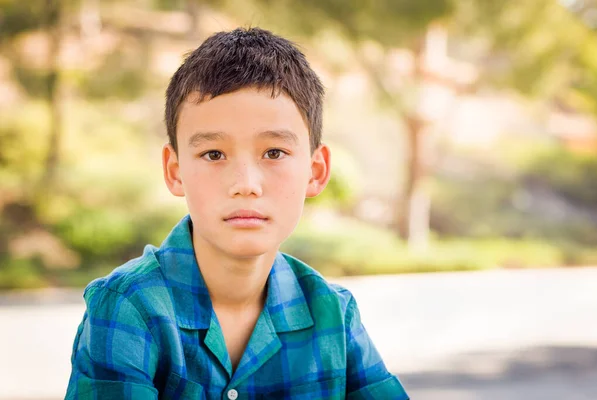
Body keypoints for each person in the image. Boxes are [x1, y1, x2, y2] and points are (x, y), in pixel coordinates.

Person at [66, 27, 409, 400]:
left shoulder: (333, 315)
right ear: (174, 170)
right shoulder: (129, 306)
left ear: (316, 171)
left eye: (274, 153)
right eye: (214, 154)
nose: (245, 184)